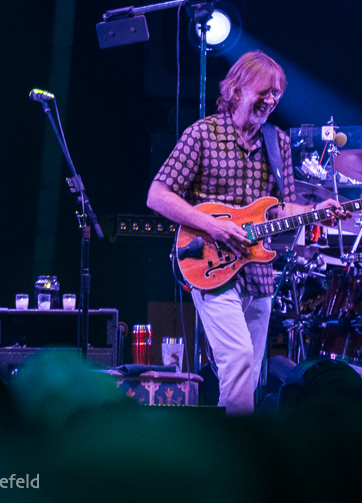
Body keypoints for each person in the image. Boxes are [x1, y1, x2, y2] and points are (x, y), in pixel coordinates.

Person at [146, 51, 344, 414]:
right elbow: (157, 195)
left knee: (250, 373)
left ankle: (230, 446)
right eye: (264, 92)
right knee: (236, 359)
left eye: (277, 95)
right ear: (236, 91)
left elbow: (281, 208)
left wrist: (315, 212)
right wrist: (212, 226)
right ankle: (236, 454)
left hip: (258, 270)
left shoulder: (277, 141)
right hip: (210, 266)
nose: (271, 101)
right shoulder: (202, 134)